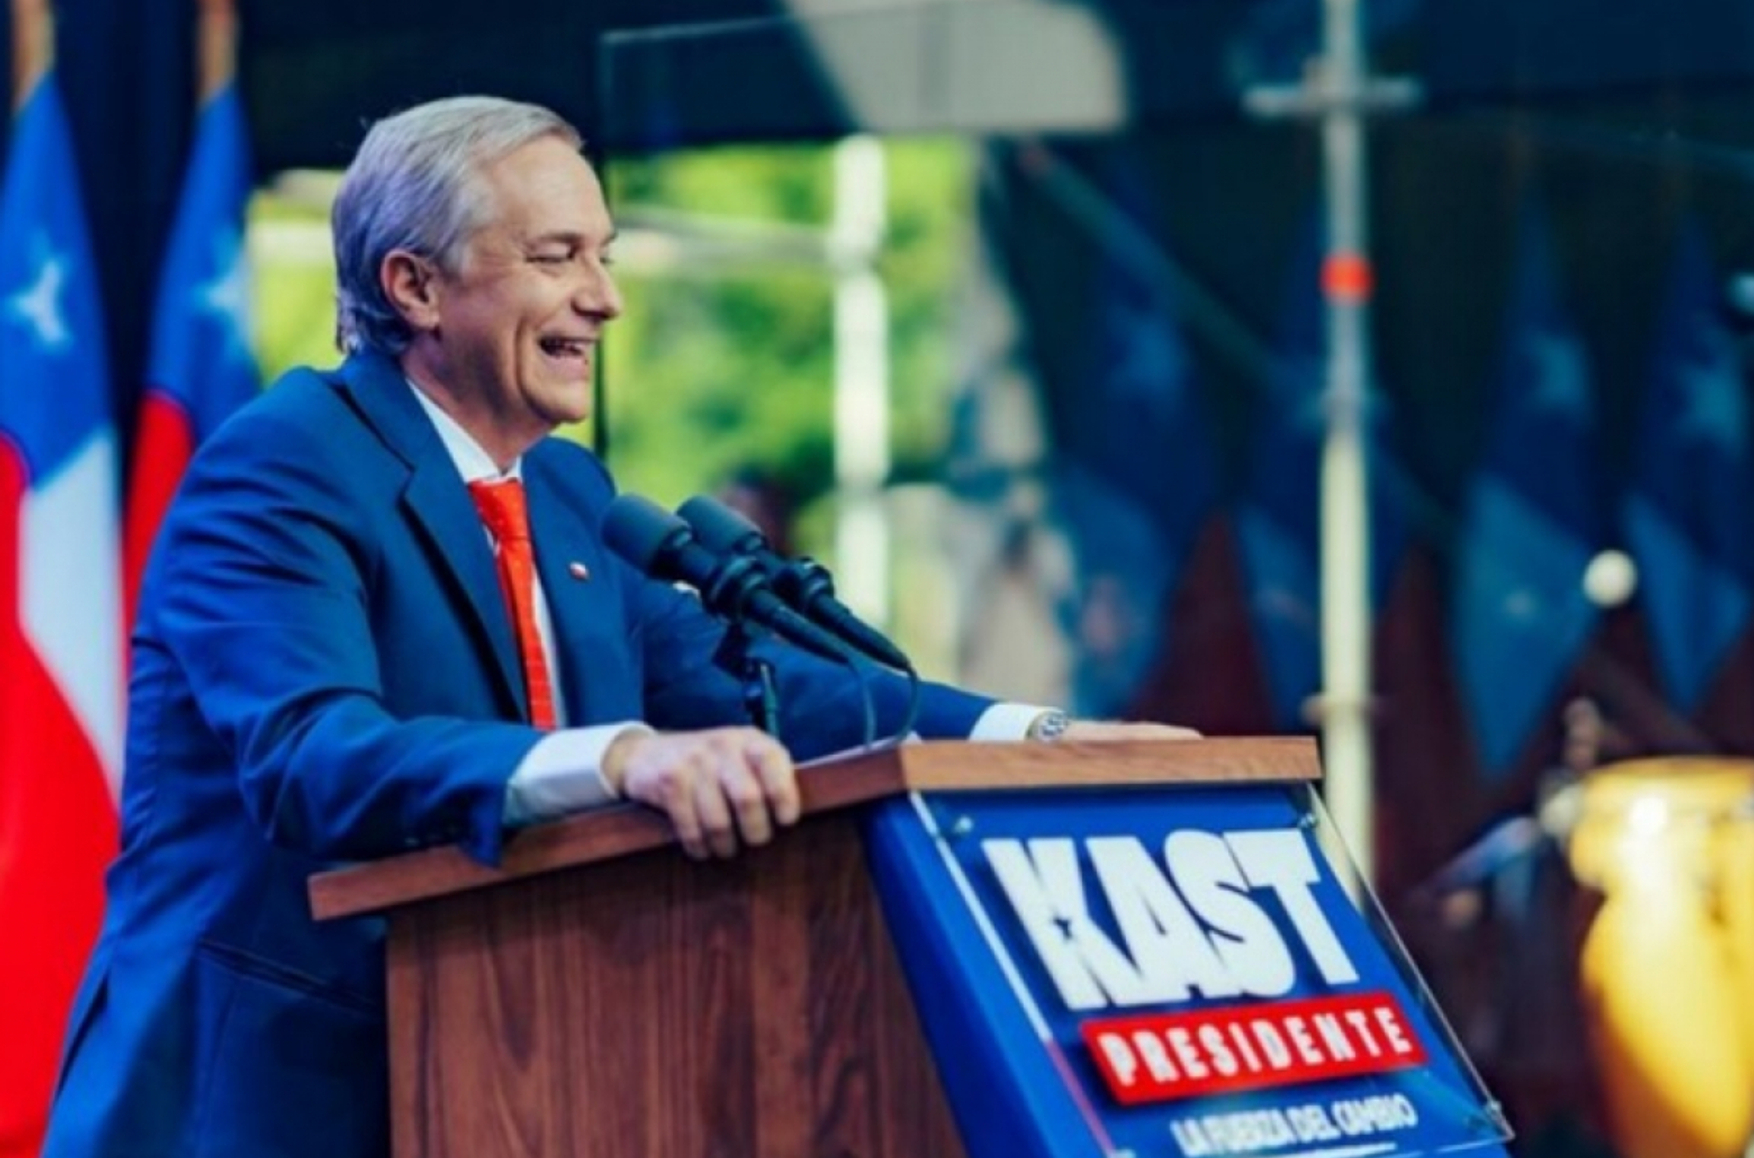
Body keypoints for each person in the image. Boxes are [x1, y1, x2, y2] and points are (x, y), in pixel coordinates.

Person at [41, 96, 1194, 1158]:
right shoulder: (283, 464)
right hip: (258, 1104)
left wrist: (1034, 739)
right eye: (557, 258)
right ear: (415, 287)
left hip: (505, 1079)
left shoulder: (563, 491)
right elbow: (313, 755)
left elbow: (754, 691)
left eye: (602, 253)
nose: (605, 298)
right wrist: (622, 760)